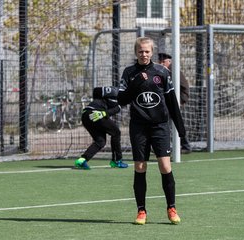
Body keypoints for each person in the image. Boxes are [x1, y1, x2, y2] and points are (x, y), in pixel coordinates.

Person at [118, 37, 186, 225]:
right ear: (135, 52)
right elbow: (122, 100)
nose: (144, 54)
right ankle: (141, 211)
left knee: (165, 166)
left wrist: (181, 129)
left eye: (147, 51)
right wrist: (137, 83)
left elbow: (172, 102)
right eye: (140, 51)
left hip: (160, 126)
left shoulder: (162, 72)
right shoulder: (129, 73)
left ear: (152, 52)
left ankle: (171, 208)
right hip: (139, 127)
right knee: (140, 167)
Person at [74, 86, 128, 170]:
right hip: (96, 114)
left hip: (85, 115)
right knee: (116, 132)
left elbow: (96, 90)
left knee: (100, 141)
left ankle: (82, 160)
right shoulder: (121, 98)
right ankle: (117, 161)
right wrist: (103, 113)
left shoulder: (112, 92)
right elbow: (116, 109)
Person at [158, 52, 192, 154]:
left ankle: (184, 146)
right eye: (160, 61)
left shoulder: (174, 71)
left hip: (173, 102)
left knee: (171, 124)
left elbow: (184, 85)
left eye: (163, 61)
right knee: (166, 123)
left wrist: (181, 100)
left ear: (169, 61)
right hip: (165, 102)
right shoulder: (162, 71)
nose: (161, 63)